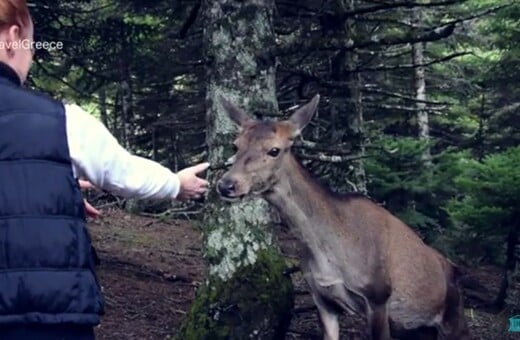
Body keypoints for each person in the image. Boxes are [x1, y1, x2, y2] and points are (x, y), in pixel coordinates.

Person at [0, 0, 209, 338]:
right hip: (50, 315)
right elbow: (123, 172)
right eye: (32, 45)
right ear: (13, 37)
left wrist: (50, 190)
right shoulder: (61, 120)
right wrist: (175, 183)